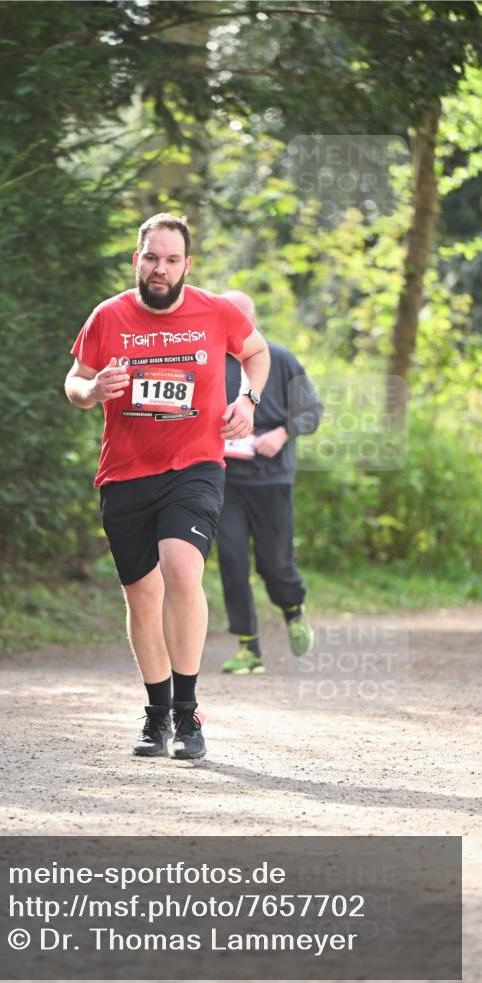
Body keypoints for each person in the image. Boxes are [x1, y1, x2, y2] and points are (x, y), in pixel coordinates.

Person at [64, 215, 270, 760]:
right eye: (152, 258)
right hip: (126, 472)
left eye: (172, 260)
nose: (161, 269)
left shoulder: (215, 311)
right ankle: (156, 715)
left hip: (195, 466)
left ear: (186, 265)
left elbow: (256, 353)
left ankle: (188, 711)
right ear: (138, 258)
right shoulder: (108, 315)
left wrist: (247, 401)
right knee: (142, 593)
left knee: (182, 569)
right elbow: (74, 382)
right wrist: (91, 390)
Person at [218, 290, 323, 675]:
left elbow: (312, 411)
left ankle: (293, 608)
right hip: (224, 479)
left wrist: (281, 433)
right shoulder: (210, 361)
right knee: (231, 560)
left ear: (252, 322)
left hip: (271, 478)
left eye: (240, 321)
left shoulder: (279, 359)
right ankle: (249, 647)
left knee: (274, 563)